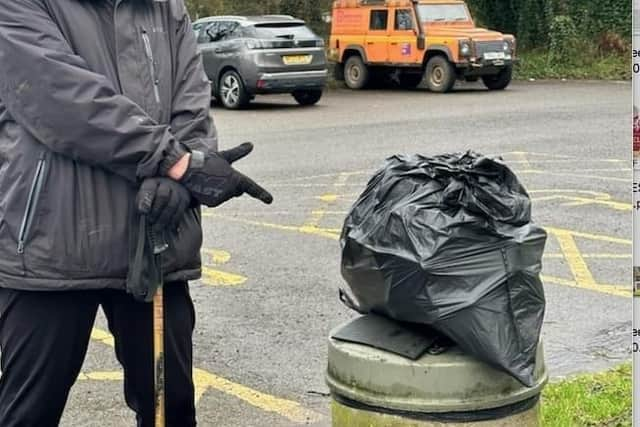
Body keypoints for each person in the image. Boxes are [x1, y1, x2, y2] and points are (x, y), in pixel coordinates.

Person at [0, 0, 272, 426]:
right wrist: (173, 160)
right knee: (27, 413)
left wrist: (185, 170)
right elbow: (57, 97)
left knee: (172, 409)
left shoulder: (165, 7)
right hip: (51, 244)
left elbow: (192, 101)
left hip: (155, 239)